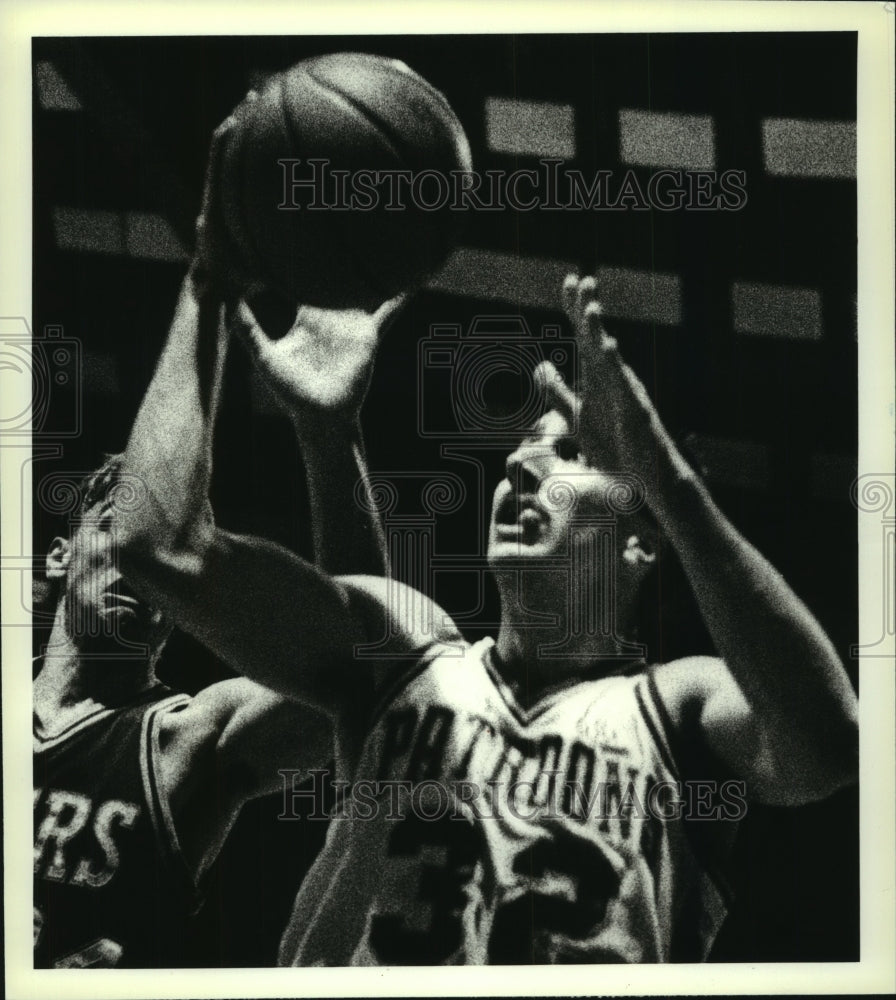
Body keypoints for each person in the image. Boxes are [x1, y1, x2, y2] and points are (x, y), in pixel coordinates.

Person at [115, 122, 858, 964]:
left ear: (639, 544)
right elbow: (157, 547)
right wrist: (212, 280)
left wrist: (673, 486)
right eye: (518, 450)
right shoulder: (413, 659)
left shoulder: (679, 709)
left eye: (571, 452)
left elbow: (831, 747)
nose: (520, 465)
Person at [32, 267, 400, 968]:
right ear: (58, 556)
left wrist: (328, 434)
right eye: (115, 527)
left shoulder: (186, 739)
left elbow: (363, 680)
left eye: (159, 553)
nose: (136, 570)